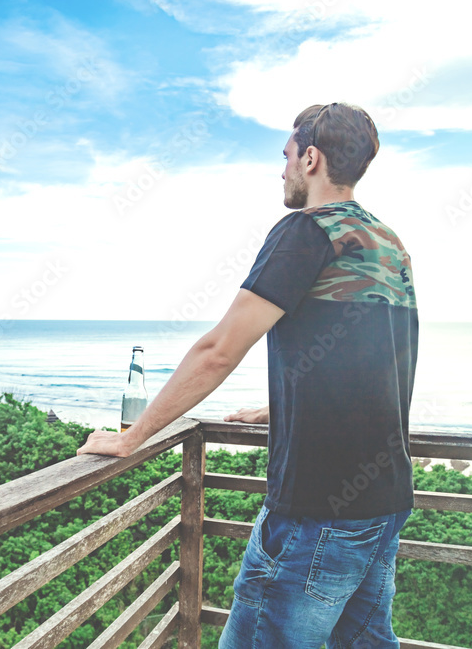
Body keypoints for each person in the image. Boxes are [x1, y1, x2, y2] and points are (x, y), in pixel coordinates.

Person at [77, 102, 418, 648]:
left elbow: (218, 350)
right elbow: (375, 364)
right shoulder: (387, 243)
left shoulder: (307, 232)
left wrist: (133, 437)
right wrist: (284, 404)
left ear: (310, 158)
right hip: (384, 499)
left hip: (317, 509)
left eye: (285, 156)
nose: (281, 169)